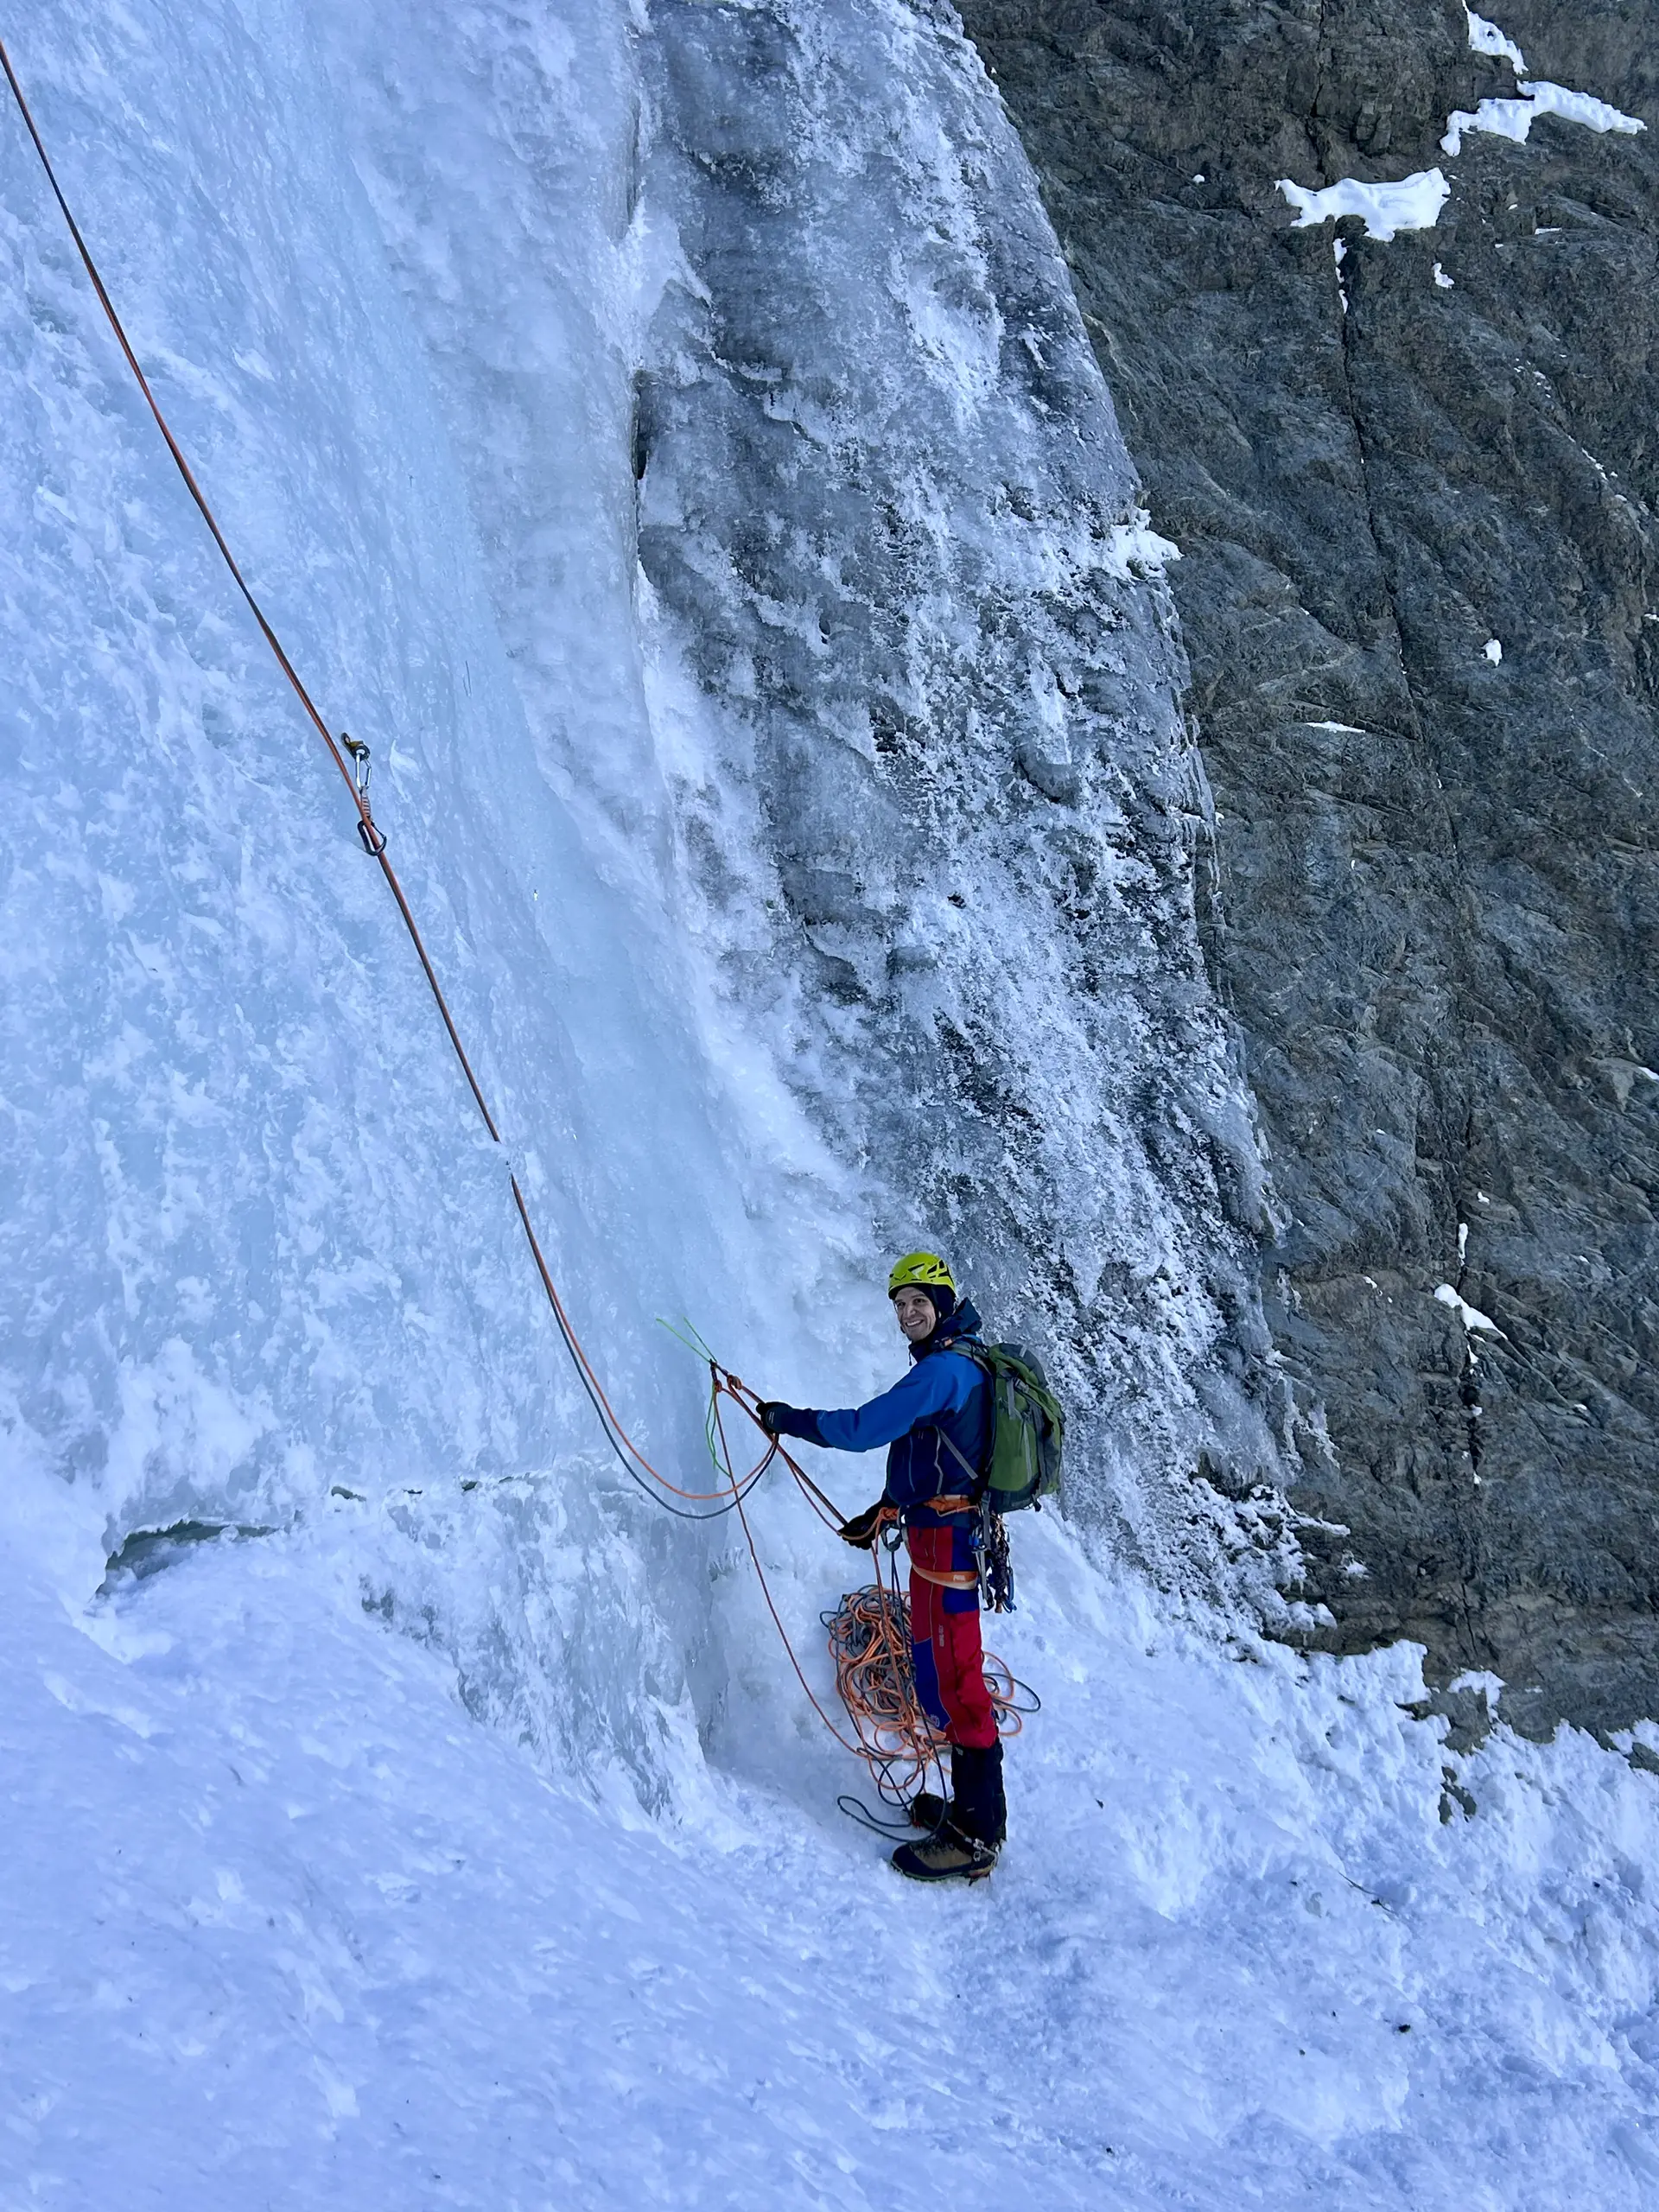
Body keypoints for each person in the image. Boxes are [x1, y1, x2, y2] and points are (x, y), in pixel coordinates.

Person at [758, 1253, 1006, 1884]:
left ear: (943, 1304)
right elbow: (939, 1450)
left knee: (957, 1685)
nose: (907, 1313)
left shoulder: (944, 1371)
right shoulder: (953, 1363)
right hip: (938, 1541)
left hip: (947, 1549)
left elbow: (864, 1429)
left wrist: (790, 1421)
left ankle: (977, 1835)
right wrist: (888, 1508)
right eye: (899, 1304)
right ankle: (968, 1812)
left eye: (919, 1301)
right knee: (940, 1679)